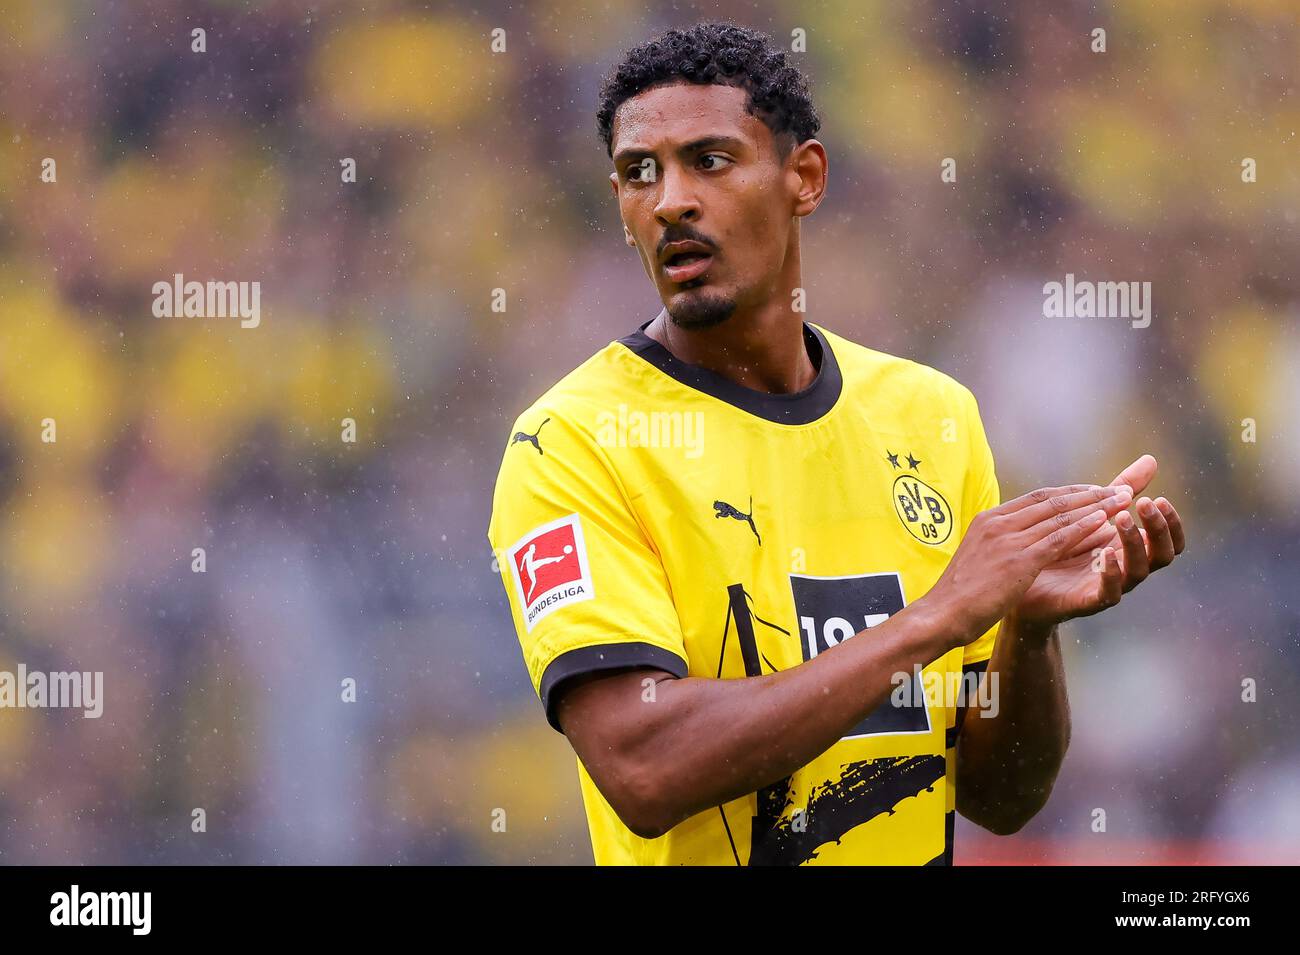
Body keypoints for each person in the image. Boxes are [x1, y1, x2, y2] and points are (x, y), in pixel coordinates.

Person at [487, 22, 1185, 865]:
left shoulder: (932, 416)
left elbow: (1002, 798)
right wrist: (936, 618)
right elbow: (643, 767)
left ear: (803, 178)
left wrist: (1025, 636)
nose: (669, 198)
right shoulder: (573, 442)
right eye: (641, 171)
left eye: (708, 160)